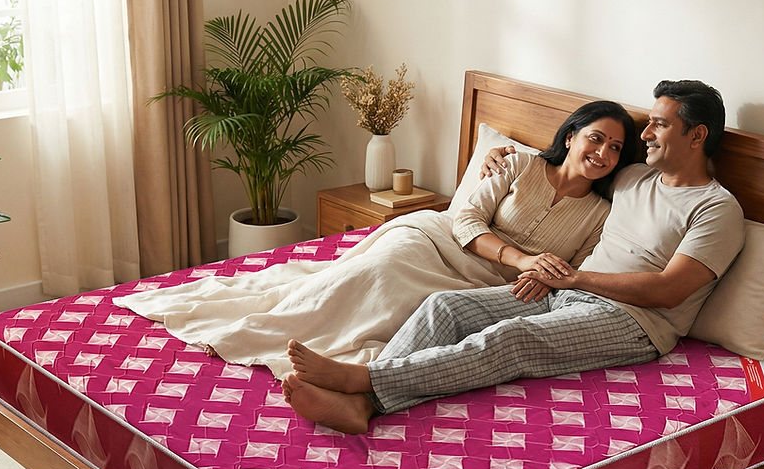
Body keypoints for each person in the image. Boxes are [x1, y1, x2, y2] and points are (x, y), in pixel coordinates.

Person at [283, 79, 746, 434]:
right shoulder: (633, 177)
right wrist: (500, 156)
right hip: (566, 292)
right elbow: (574, 156)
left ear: (697, 135)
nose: (645, 133)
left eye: (659, 124)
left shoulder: (717, 208)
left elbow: (669, 291)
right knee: (445, 306)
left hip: (635, 322)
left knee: (511, 339)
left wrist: (575, 279)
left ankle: (363, 382)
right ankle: (363, 402)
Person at [114, 101, 636, 377]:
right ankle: (285, 325)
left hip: (488, 284)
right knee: (379, 270)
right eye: (596, 138)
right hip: (441, 240)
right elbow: (466, 219)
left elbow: (575, 269)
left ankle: (354, 374)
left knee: (414, 306)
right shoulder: (516, 163)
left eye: (615, 148)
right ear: (571, 135)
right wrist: (521, 258)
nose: (603, 153)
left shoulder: (600, 213)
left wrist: (543, 277)